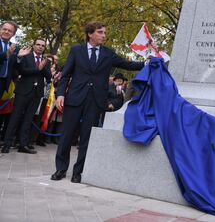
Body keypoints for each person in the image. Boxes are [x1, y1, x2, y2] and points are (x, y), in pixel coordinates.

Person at [51, 21, 146, 183]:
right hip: (74, 98)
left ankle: (78, 172)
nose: (104, 35)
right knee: (66, 135)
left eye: (104, 32)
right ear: (90, 34)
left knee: (87, 138)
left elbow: (128, 64)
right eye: (100, 32)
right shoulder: (76, 51)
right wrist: (60, 94)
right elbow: (65, 75)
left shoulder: (108, 53)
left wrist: (148, 62)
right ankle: (60, 169)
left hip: (95, 101)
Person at [1, 38, 52, 154]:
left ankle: (23, 145)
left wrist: (43, 67)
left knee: (28, 119)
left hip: (37, 93)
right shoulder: (26, 56)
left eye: (43, 46)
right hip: (23, 91)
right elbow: (22, 71)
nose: (40, 47)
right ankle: (7, 144)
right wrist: (37, 69)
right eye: (38, 44)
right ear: (33, 45)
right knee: (15, 118)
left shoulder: (46, 61)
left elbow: (48, 77)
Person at [0, 21, 31, 98]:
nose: (6, 32)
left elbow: (17, 69)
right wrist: (6, 54)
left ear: (13, 34)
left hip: (3, 83)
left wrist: (19, 57)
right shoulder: (11, 49)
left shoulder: (15, 48)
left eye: (10, 31)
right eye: (4, 29)